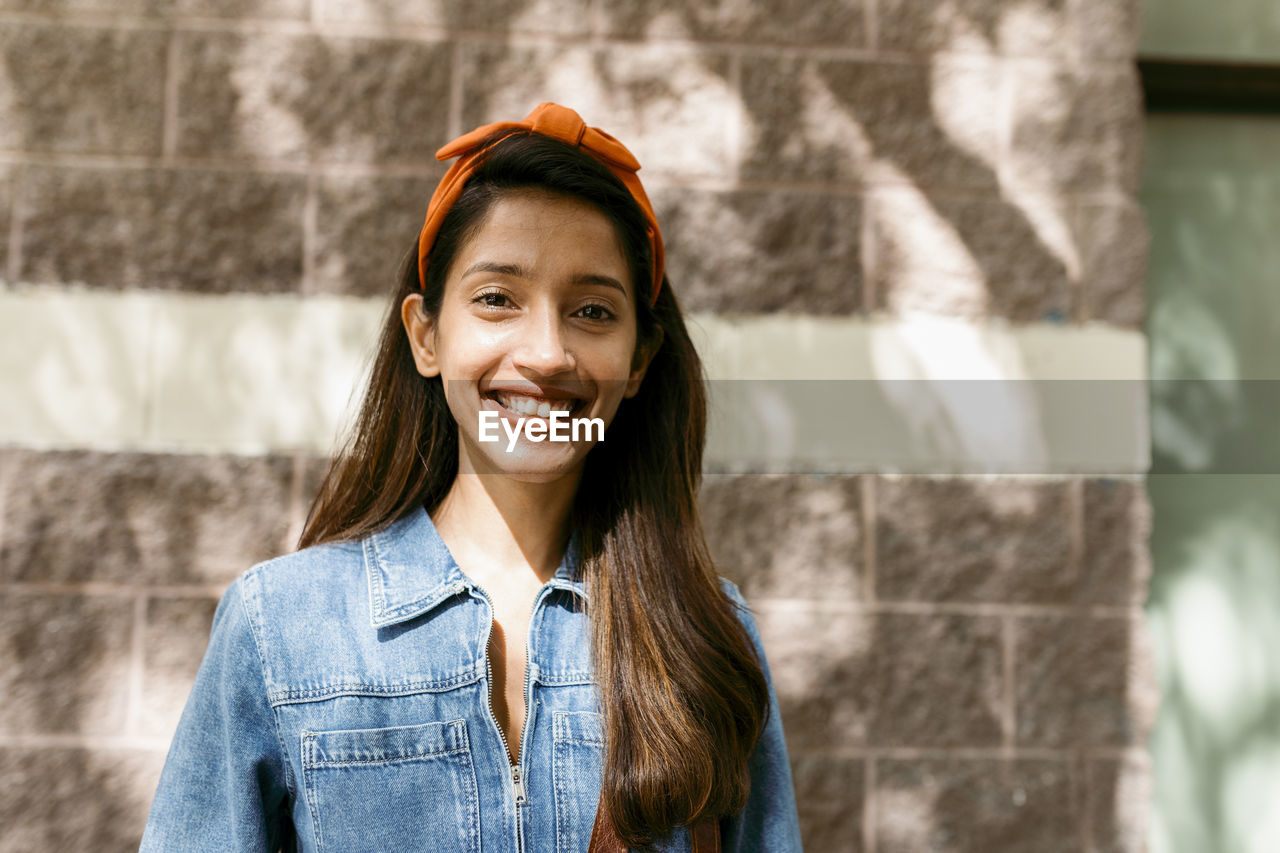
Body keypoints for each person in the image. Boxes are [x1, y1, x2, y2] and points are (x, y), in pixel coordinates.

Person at [140, 102, 802, 853]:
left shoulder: (707, 633)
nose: (547, 353)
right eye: (497, 299)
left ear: (640, 361)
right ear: (426, 334)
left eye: (592, 310)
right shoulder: (278, 625)